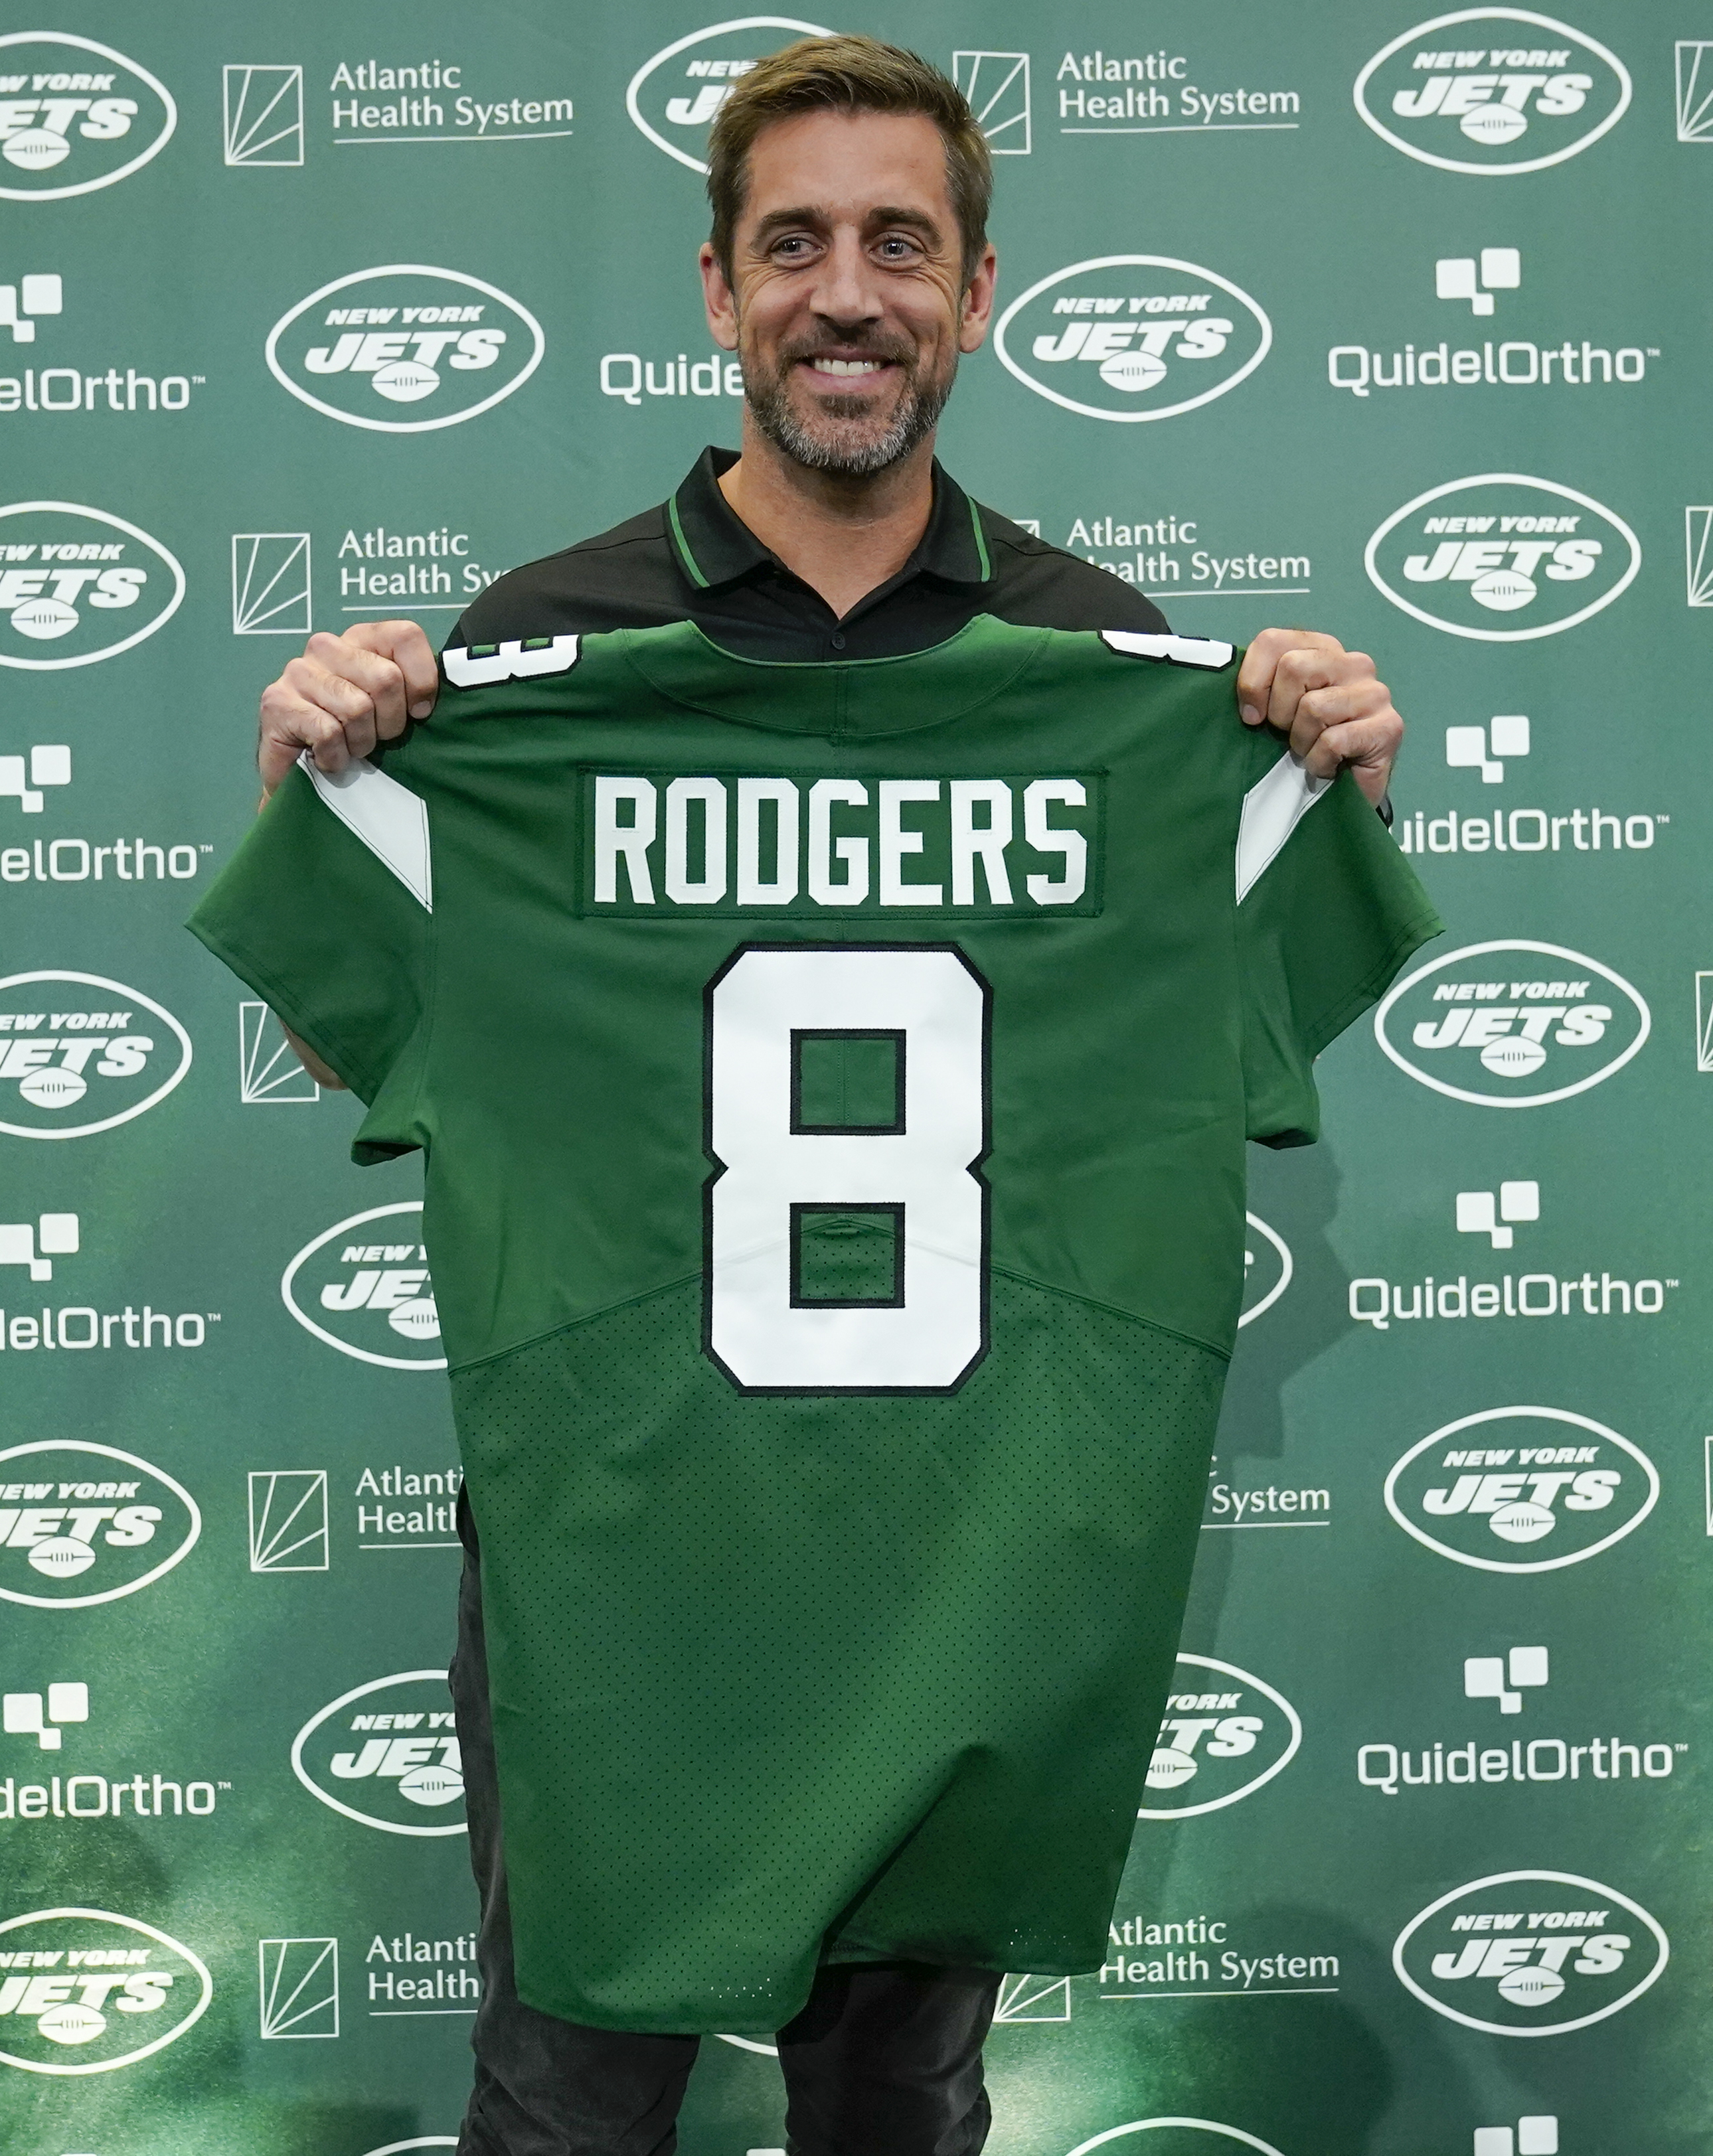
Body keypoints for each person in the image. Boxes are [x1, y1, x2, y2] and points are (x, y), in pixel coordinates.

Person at [234, 38, 1414, 2156]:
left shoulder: (1120, 672)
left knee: (899, 2109)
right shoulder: (542, 655)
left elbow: (1241, 992)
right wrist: (312, 789)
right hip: (622, 1569)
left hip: (957, 1567)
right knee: (570, 2103)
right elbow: (352, 1036)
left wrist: (1317, 788)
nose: (844, 294)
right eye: (794, 245)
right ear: (717, 290)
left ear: (977, 294)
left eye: (899, 244)